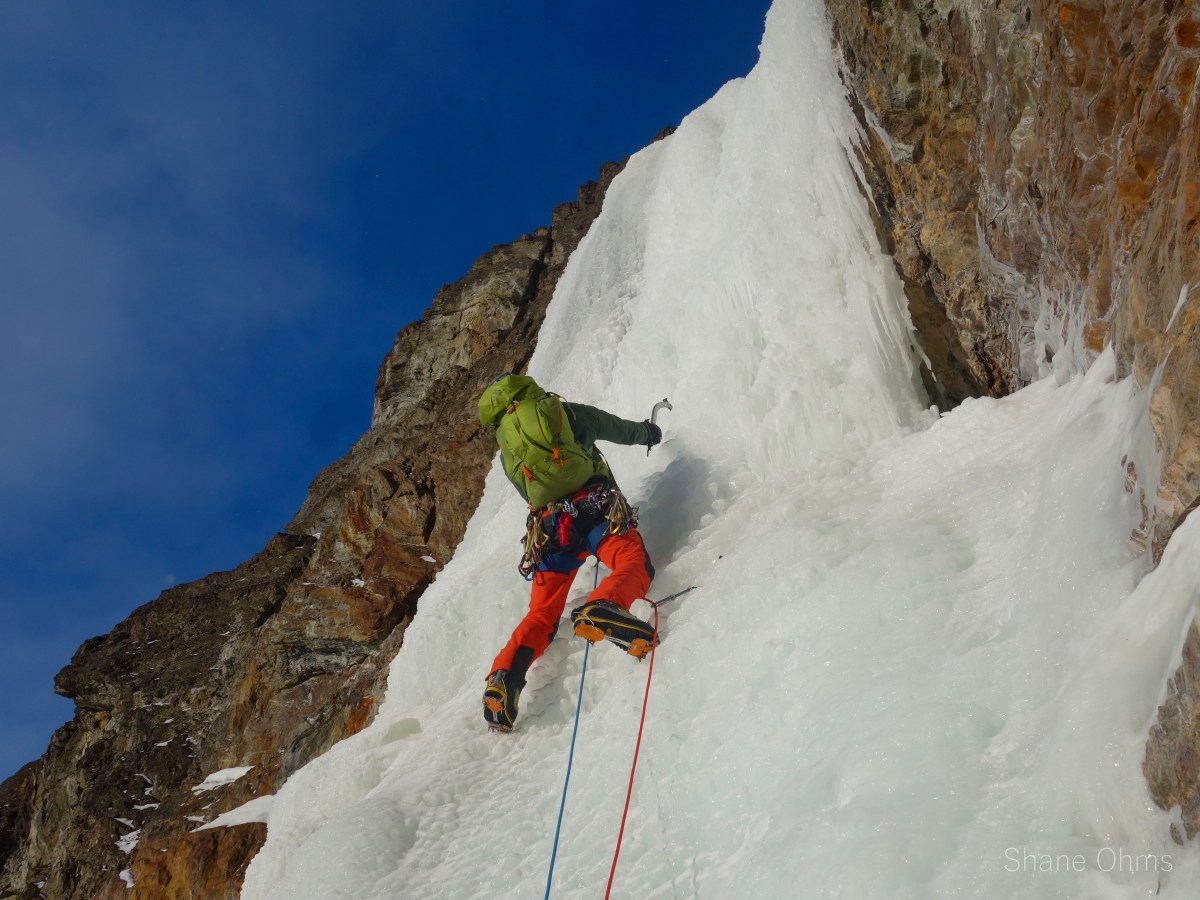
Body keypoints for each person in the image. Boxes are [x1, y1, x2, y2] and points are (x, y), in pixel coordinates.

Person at [477, 373, 663, 732]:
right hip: (595, 507)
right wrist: (648, 433)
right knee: (632, 562)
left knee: (542, 614)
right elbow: (610, 426)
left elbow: (527, 490)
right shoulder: (557, 412)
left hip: (548, 529)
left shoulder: (508, 444)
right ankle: (604, 605)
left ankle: (503, 678)